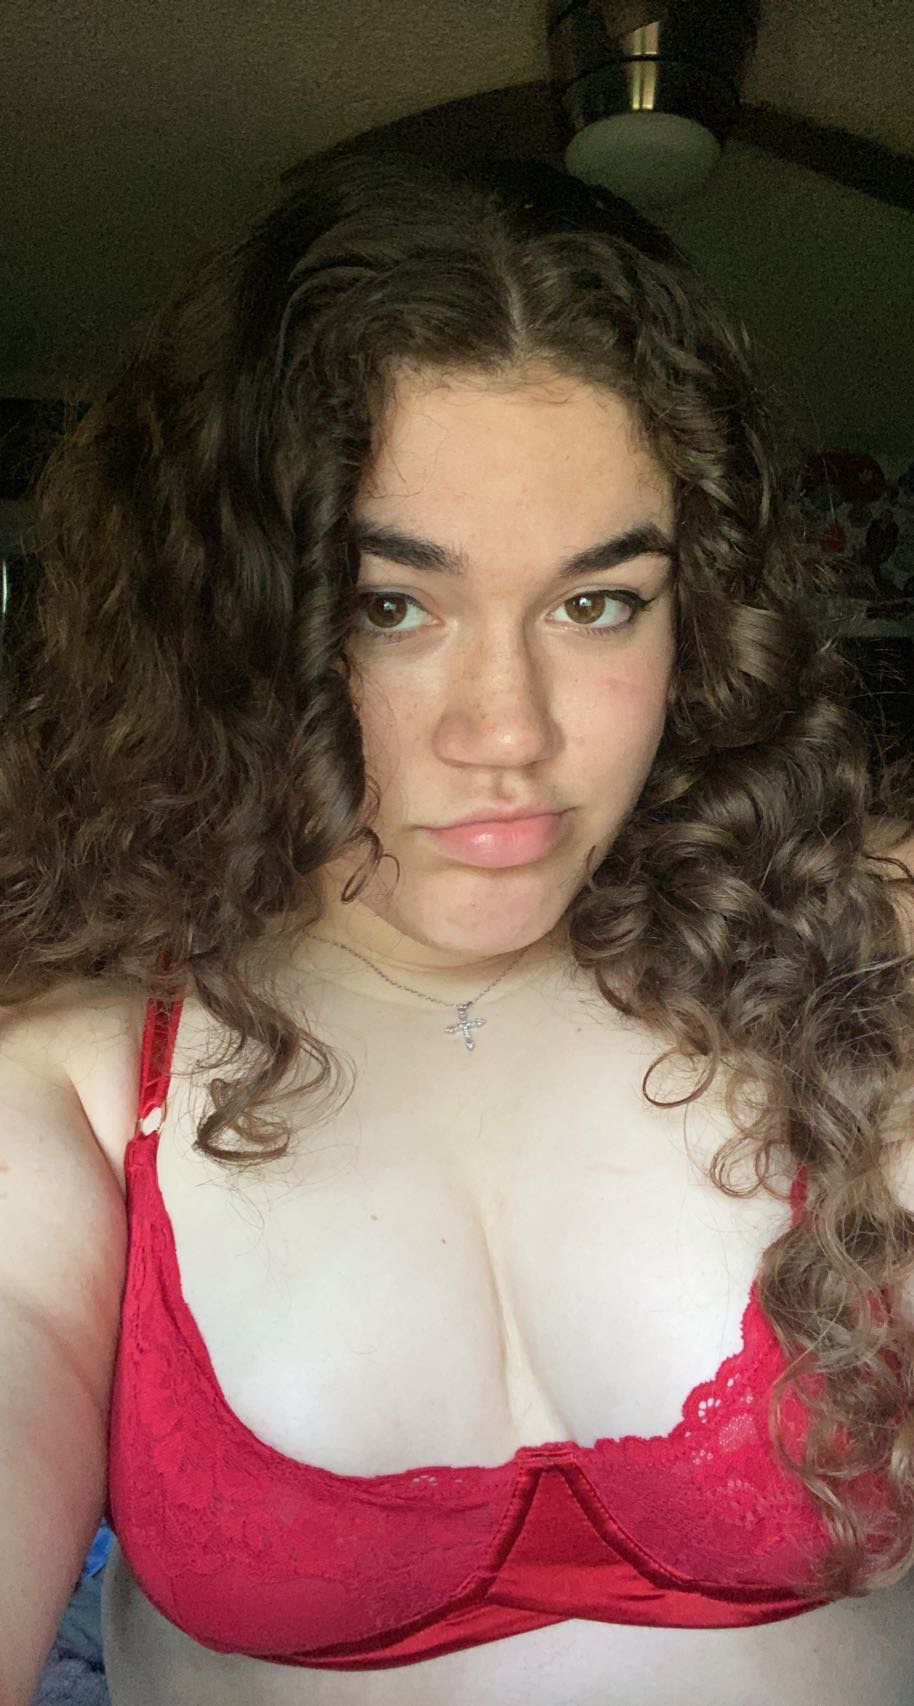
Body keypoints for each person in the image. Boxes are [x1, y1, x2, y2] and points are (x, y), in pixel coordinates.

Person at [4, 137, 914, 1706]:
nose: (509, 730)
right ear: (224, 614)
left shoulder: (861, 942)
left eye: (595, 600)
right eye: (390, 604)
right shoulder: (79, 1085)